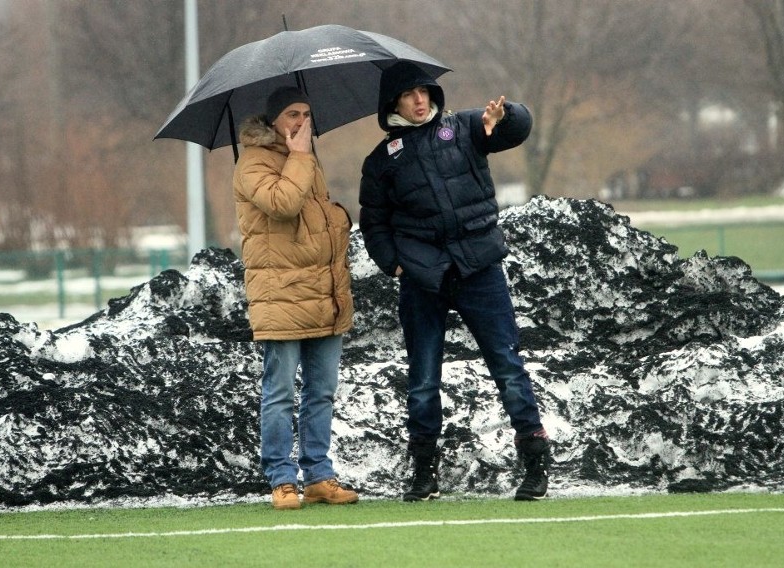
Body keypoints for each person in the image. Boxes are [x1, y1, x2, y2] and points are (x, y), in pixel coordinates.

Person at [359, 62, 551, 502]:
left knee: (506, 365)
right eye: (409, 95)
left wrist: (507, 118)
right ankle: (424, 472)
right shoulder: (380, 162)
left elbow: (515, 129)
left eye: (424, 91)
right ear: (393, 104)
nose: (420, 100)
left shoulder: (465, 126)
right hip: (422, 279)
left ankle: (536, 460)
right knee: (424, 379)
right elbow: (374, 224)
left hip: (479, 267)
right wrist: (394, 265)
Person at [233, 86, 358, 510]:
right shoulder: (251, 163)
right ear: (273, 122)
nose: (302, 122)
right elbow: (283, 204)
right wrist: (301, 157)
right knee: (281, 392)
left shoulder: (307, 160)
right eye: (292, 114)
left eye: (306, 113)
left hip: (323, 293)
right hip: (280, 297)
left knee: (322, 390)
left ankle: (319, 475)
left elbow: (319, 217)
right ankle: (282, 479)